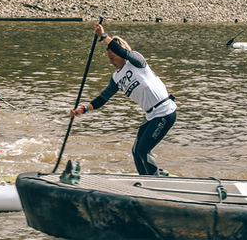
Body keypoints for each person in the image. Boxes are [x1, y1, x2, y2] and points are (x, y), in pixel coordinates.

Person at [70, 23, 176, 176]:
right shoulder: (116, 78)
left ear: (121, 54)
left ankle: (156, 179)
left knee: (143, 150)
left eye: (113, 57)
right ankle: (145, 179)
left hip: (165, 111)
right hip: (151, 115)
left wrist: (104, 36)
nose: (111, 61)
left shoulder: (137, 61)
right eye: (109, 58)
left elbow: (121, 50)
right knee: (136, 151)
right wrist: (82, 110)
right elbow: (102, 98)